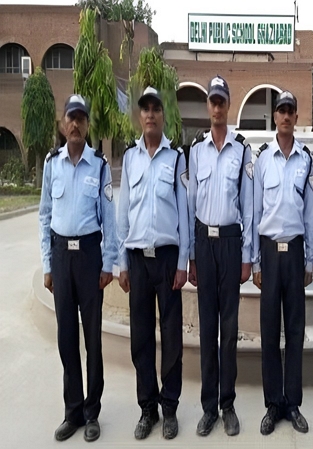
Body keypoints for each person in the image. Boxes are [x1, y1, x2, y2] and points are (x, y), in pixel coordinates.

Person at [39, 94, 117, 442]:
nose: (75, 124)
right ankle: (72, 411)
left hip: (88, 257)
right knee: (66, 337)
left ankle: (92, 411)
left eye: (81, 118)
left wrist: (108, 263)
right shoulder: (51, 163)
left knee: (92, 339)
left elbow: (110, 221)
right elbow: (44, 216)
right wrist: (47, 264)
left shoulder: (99, 166)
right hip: (60, 255)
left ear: (87, 125)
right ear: (63, 123)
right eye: (71, 118)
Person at [117, 86, 189, 440]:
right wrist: (122, 262)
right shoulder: (130, 158)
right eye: (144, 108)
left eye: (155, 108)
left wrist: (183, 262)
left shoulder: (176, 158)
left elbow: (185, 215)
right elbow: (122, 212)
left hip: (166, 259)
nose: (149, 114)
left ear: (163, 114)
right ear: (140, 115)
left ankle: (170, 406)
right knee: (141, 338)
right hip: (137, 259)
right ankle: (148, 408)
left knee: (171, 337)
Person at [187, 75, 253, 437]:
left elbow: (248, 205)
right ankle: (208, 407)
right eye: (212, 101)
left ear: (228, 106)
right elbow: (190, 203)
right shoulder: (195, 150)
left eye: (221, 101)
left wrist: (246, 257)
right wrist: (192, 257)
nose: (216, 107)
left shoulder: (242, 150)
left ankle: (227, 404)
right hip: (203, 242)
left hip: (229, 243)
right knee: (207, 329)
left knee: (229, 330)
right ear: (208, 106)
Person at [252, 91, 313, 435]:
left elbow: (310, 211)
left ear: (295, 115)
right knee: (268, 332)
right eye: (281, 111)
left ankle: (292, 403)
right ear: (274, 117)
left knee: (294, 332)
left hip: (294, 253)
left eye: (291, 110)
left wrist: (310, 260)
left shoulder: (305, 160)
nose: (287, 116)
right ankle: (272, 404)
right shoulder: (263, 160)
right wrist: (254, 261)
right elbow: (254, 211)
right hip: (268, 253)